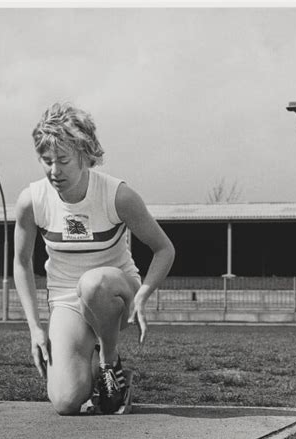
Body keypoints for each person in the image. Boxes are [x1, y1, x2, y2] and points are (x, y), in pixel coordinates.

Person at [13, 103, 175, 415]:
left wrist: (143, 295)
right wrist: (35, 327)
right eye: (46, 161)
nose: (54, 171)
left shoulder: (118, 196)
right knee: (65, 402)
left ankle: (110, 363)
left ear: (86, 156)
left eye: (63, 161)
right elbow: (22, 264)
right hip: (66, 301)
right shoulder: (31, 201)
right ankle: (87, 360)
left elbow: (164, 249)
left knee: (93, 283)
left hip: (114, 293)